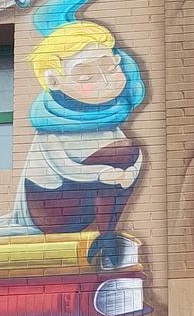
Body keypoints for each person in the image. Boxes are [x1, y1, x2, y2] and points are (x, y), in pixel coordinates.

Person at [20, 19, 145, 265]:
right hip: (52, 207)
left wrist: (130, 172)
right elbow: (64, 167)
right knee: (122, 152)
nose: (105, 81)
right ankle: (106, 237)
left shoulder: (107, 121)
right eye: (86, 75)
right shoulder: (51, 127)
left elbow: (134, 155)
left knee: (125, 152)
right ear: (54, 80)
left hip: (87, 205)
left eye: (110, 67)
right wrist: (102, 173)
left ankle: (106, 236)